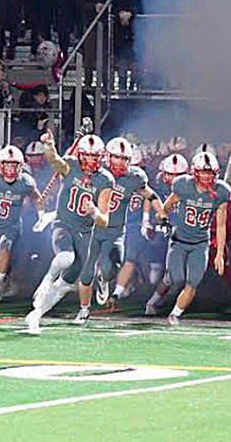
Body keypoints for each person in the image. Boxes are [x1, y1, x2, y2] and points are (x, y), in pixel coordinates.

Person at [23, 133, 113, 335]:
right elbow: (54, 160)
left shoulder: (105, 179)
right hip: (63, 224)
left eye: (94, 157)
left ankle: (36, 315)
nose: (90, 161)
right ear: (80, 155)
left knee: (66, 283)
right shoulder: (71, 165)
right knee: (65, 257)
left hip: (85, 233)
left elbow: (104, 221)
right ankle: (46, 282)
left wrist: (94, 211)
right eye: (87, 156)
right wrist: (48, 144)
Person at [148, 149, 231, 326]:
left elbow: (221, 224)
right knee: (176, 279)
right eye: (203, 172)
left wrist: (220, 253)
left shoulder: (221, 192)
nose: (207, 176)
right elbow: (167, 206)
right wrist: (162, 219)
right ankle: (158, 297)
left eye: (210, 172)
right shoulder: (183, 185)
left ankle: (175, 315)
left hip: (200, 243)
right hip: (179, 240)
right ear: (195, 172)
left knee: (192, 282)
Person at [84, 137, 154, 314]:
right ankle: (84, 305)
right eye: (117, 158)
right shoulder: (99, 173)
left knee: (117, 263)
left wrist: (146, 219)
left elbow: (149, 196)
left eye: (125, 160)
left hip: (124, 224)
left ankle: (111, 283)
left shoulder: (136, 177)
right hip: (97, 222)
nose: (121, 163)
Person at [0, 145, 40, 312]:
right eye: (7, 165)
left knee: (5, 246)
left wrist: (42, 215)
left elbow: (37, 198)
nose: (10, 169)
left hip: (12, 225)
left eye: (14, 165)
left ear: (20, 166)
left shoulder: (25, 181)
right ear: (0, 165)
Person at [134, 153, 187, 308]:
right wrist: (146, 221)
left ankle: (161, 297)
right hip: (165, 225)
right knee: (158, 269)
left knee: (179, 274)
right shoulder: (158, 183)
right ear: (163, 174)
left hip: (184, 231)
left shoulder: (192, 186)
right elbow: (150, 198)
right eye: (170, 174)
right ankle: (153, 298)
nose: (174, 178)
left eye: (179, 175)